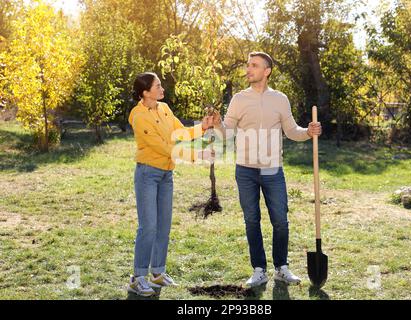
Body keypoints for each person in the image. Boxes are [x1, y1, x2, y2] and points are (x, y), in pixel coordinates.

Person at [212, 52, 322, 287]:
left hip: (273, 170)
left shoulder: (280, 99)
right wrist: (217, 125)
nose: (248, 69)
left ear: (267, 71)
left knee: (280, 221)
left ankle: (282, 268)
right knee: (252, 220)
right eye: (248, 65)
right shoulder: (239, 99)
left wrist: (308, 132)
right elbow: (227, 132)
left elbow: (292, 130)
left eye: (254, 65)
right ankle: (259, 270)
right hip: (245, 170)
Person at [127, 72, 214, 296]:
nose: (162, 88)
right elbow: (165, 148)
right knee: (148, 227)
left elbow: (180, 133)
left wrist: (201, 127)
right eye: (157, 86)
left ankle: (157, 273)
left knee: (163, 226)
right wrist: (198, 155)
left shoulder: (164, 108)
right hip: (148, 174)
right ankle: (138, 278)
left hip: (166, 175)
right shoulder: (138, 116)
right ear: (145, 92)